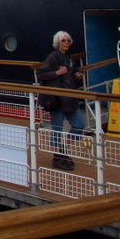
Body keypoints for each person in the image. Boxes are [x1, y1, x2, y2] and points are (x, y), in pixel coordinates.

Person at [38, 30, 85, 171]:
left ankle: (63, 149)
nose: (66, 43)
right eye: (63, 40)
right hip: (56, 99)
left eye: (68, 40)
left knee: (79, 125)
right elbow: (40, 74)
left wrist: (77, 75)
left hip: (69, 98)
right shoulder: (52, 57)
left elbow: (70, 75)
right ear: (57, 43)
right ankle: (58, 156)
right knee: (57, 129)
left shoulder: (70, 59)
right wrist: (57, 72)